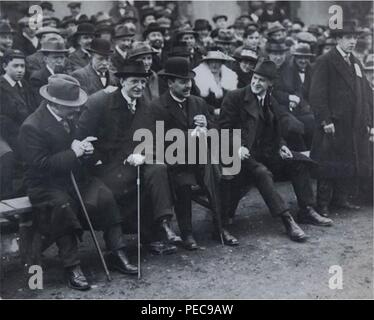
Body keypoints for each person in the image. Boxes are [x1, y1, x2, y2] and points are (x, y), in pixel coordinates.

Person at [18, 74, 138, 291]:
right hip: (44, 185)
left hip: (75, 177)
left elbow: (77, 145)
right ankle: (72, 266)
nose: (76, 110)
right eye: (70, 106)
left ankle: (117, 251)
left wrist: (85, 151)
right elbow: (40, 165)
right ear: (53, 103)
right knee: (64, 207)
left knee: (104, 196)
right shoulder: (32, 126)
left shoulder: (69, 117)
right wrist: (74, 153)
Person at [219, 60, 333, 242]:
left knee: (298, 162)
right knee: (262, 173)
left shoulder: (269, 100)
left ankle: (307, 210)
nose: (256, 83)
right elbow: (224, 129)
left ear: (270, 83)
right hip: (239, 156)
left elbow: (276, 128)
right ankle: (287, 220)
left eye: (262, 80)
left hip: (265, 152)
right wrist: (237, 146)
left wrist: (282, 146)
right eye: (255, 78)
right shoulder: (235, 97)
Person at [77, 60, 180, 255]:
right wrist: (96, 156)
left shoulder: (147, 107)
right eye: (134, 81)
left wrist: (144, 155)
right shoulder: (102, 103)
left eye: (143, 82)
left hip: (134, 163)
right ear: (122, 81)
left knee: (158, 169)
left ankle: (163, 224)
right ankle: (126, 242)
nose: (139, 86)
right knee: (130, 184)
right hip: (105, 167)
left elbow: (156, 140)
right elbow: (83, 137)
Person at [150, 57, 239, 249]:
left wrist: (206, 127)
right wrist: (189, 134)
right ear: (170, 82)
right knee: (184, 184)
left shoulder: (198, 102)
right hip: (175, 162)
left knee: (216, 173)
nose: (187, 85)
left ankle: (220, 227)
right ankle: (187, 233)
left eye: (189, 81)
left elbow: (215, 130)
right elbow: (159, 140)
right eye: (182, 82)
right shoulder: (158, 106)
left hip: (200, 159)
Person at [309, 20, 373, 217]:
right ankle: (322, 204)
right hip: (333, 123)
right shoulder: (325, 61)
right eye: (348, 38)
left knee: (347, 159)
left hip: (353, 123)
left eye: (354, 38)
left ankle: (341, 199)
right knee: (328, 164)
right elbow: (316, 94)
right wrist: (325, 120)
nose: (352, 42)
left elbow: (365, 93)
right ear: (338, 39)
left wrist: (369, 120)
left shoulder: (355, 62)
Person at [0, 49, 37, 198]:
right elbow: (2, 119)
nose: (20, 70)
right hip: (7, 135)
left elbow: (33, 110)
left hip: (25, 133)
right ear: (4, 66)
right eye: (15, 66)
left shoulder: (25, 85)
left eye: (22, 66)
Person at [273, 43, 316, 151]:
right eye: (300, 57)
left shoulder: (312, 70)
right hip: (289, 110)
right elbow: (278, 92)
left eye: (306, 58)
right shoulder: (286, 70)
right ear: (295, 58)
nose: (303, 61)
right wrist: (290, 98)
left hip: (307, 108)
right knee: (300, 125)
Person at [193, 50, 238, 115]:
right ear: (207, 62)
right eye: (212, 61)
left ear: (222, 63)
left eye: (217, 61)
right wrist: (213, 110)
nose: (214, 65)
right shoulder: (199, 78)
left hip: (225, 114)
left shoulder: (229, 77)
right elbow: (196, 102)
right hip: (205, 114)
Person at [29, 39, 71, 104]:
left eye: (62, 58)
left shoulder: (67, 76)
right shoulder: (37, 78)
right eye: (55, 58)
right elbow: (39, 102)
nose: (59, 61)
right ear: (46, 59)